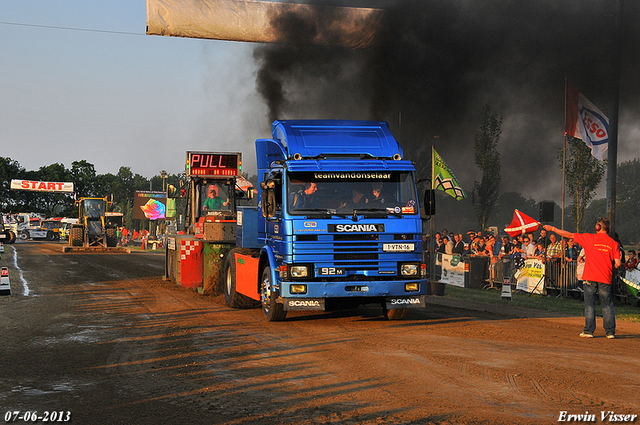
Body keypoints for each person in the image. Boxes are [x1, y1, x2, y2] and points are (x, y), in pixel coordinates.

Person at [544, 218, 621, 339]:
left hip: (590, 276)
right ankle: (610, 332)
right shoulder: (613, 243)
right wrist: (613, 267)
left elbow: (569, 235)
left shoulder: (589, 238)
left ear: (597, 227)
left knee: (590, 305)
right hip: (605, 277)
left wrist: (553, 229)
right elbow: (618, 263)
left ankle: (589, 331)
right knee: (607, 304)